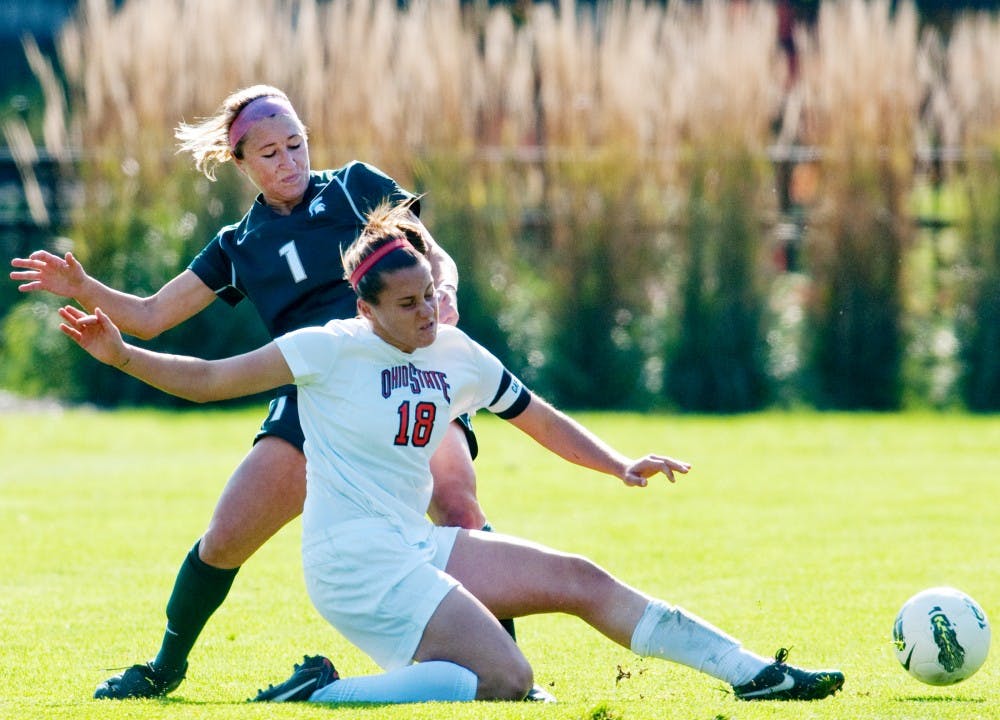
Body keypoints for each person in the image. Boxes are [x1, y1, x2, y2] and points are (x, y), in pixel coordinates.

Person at [58, 199, 846, 704]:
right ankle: (326, 691)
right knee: (510, 680)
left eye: (430, 296)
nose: (427, 313)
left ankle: (756, 675)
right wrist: (122, 354)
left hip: (413, 544)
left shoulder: (454, 350)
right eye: (407, 305)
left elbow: (536, 416)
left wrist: (617, 463)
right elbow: (207, 378)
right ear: (364, 308)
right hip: (350, 564)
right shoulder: (328, 349)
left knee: (581, 578)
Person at [8, 85, 533, 700]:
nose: (289, 161)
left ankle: (512, 676)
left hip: (405, 374)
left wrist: (442, 288)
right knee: (225, 538)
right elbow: (149, 316)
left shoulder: (355, 186)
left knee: (459, 506)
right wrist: (84, 285)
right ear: (242, 164)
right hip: (315, 392)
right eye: (270, 154)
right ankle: (163, 668)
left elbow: (432, 252)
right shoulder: (238, 244)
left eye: (296, 144)